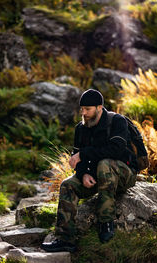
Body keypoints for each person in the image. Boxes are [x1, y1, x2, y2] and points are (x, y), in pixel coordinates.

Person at [41, 89, 138, 253]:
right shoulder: (81, 128)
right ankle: (65, 239)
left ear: (99, 107)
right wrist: (83, 173)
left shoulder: (117, 121)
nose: (84, 113)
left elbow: (116, 150)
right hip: (96, 176)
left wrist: (84, 154)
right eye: (82, 109)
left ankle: (106, 222)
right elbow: (76, 157)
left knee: (105, 164)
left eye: (88, 109)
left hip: (123, 174)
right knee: (67, 185)